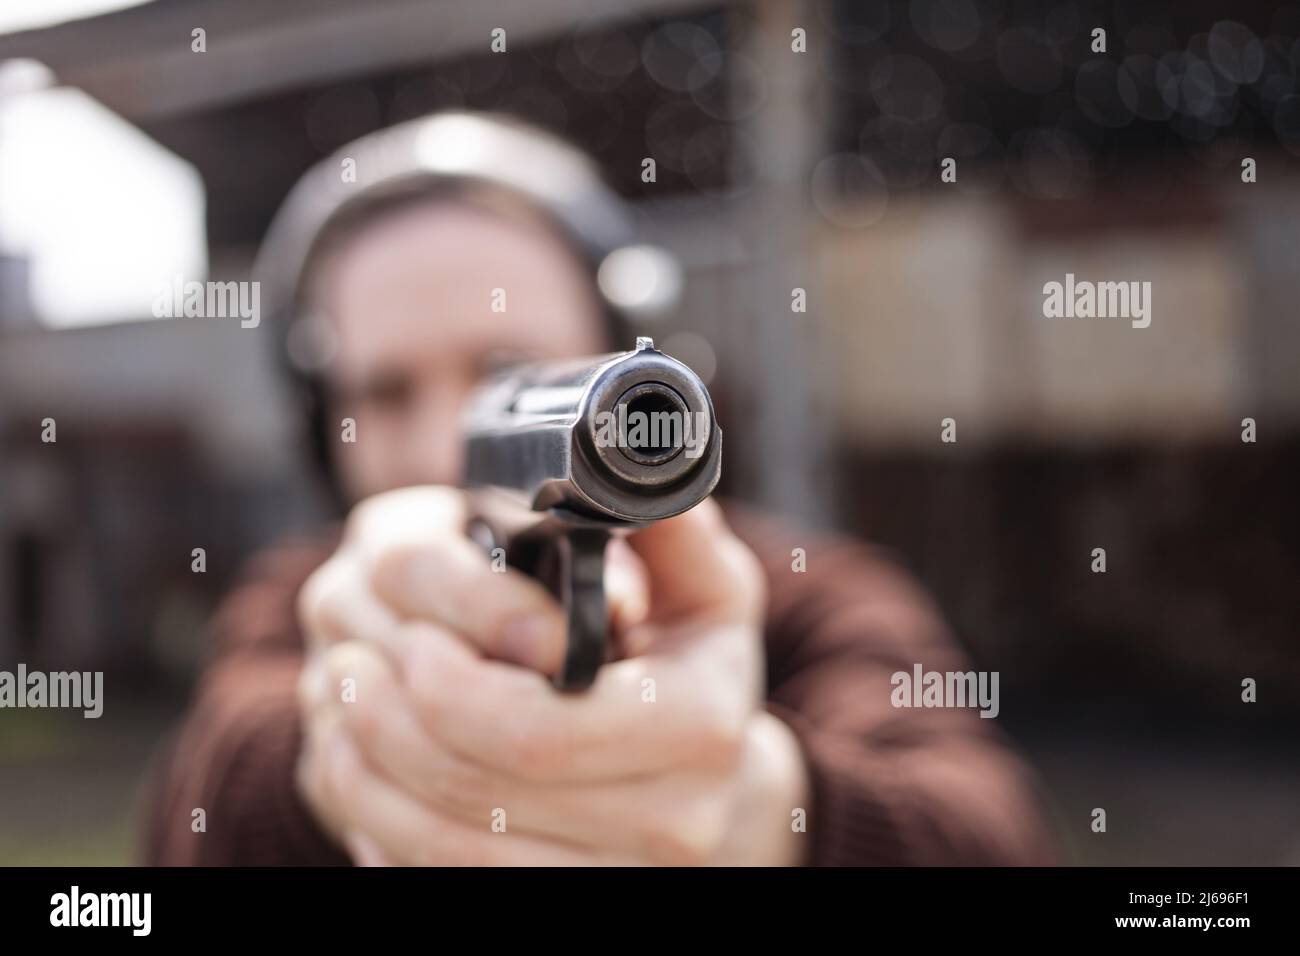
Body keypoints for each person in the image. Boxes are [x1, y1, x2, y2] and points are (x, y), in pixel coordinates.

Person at [145, 112, 1055, 866]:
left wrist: (770, 810)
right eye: (384, 392)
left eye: (512, 372)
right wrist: (324, 769)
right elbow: (184, 817)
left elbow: (989, 830)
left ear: (617, 354)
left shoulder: (810, 590)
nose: (444, 438)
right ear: (320, 424)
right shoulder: (302, 598)